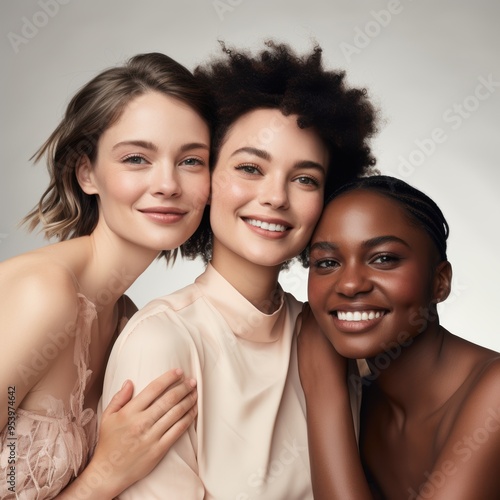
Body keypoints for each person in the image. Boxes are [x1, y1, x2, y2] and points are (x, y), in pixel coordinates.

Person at [101, 40, 378, 499]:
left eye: (305, 178)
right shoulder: (164, 340)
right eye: (250, 167)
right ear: (205, 175)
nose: (275, 197)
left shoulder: (334, 334)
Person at [0, 52, 214, 499]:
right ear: (87, 173)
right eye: (137, 158)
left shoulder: (125, 320)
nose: (168, 184)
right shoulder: (43, 295)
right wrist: (105, 475)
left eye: (192, 161)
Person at [299, 175, 500, 499]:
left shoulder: (495, 391)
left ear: (440, 282)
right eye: (327, 262)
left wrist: (324, 393)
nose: (350, 284)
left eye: (383, 259)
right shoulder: (363, 401)